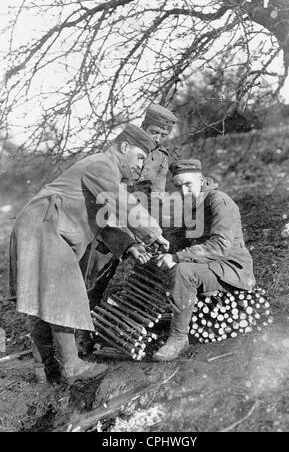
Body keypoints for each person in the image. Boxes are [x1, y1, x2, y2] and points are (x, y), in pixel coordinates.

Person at [9, 124, 169, 382]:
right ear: (124, 147)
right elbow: (121, 202)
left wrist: (129, 244)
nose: (142, 165)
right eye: (140, 157)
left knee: (39, 299)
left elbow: (103, 220)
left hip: (37, 225)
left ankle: (48, 369)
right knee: (63, 292)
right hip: (45, 226)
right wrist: (153, 231)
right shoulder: (103, 164)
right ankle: (72, 367)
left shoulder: (101, 170)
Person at [153, 159, 256, 361]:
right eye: (178, 186)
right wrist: (165, 246)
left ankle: (178, 337)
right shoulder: (194, 204)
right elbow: (188, 239)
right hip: (212, 267)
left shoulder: (219, 202)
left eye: (188, 184)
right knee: (168, 265)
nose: (183, 191)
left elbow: (220, 246)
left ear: (201, 180)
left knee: (183, 270)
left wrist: (176, 257)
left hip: (232, 270)